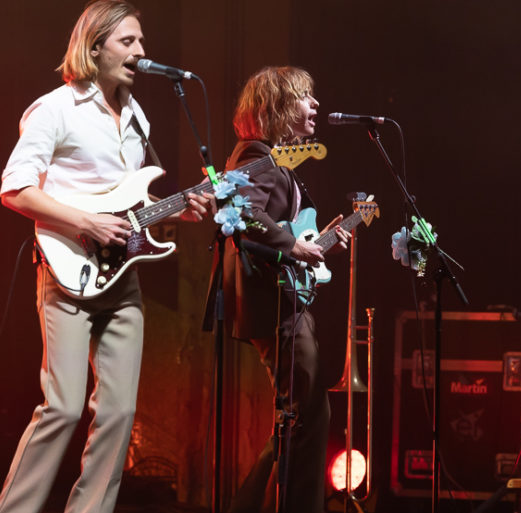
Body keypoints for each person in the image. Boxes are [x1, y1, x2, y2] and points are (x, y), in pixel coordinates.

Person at [0, 2, 211, 512]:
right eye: (128, 41)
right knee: (64, 408)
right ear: (95, 48)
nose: (141, 51)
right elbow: (15, 189)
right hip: (66, 269)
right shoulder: (55, 109)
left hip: (122, 275)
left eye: (142, 41)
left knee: (119, 412)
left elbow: (127, 204)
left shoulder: (137, 118)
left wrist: (178, 209)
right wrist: (86, 222)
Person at [210, 66, 349, 513]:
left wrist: (313, 242)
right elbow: (243, 214)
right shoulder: (258, 156)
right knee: (308, 414)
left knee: (298, 417)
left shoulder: (271, 160)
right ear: (279, 107)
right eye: (305, 97)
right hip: (274, 304)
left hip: (280, 298)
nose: (315, 104)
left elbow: (269, 224)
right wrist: (293, 246)